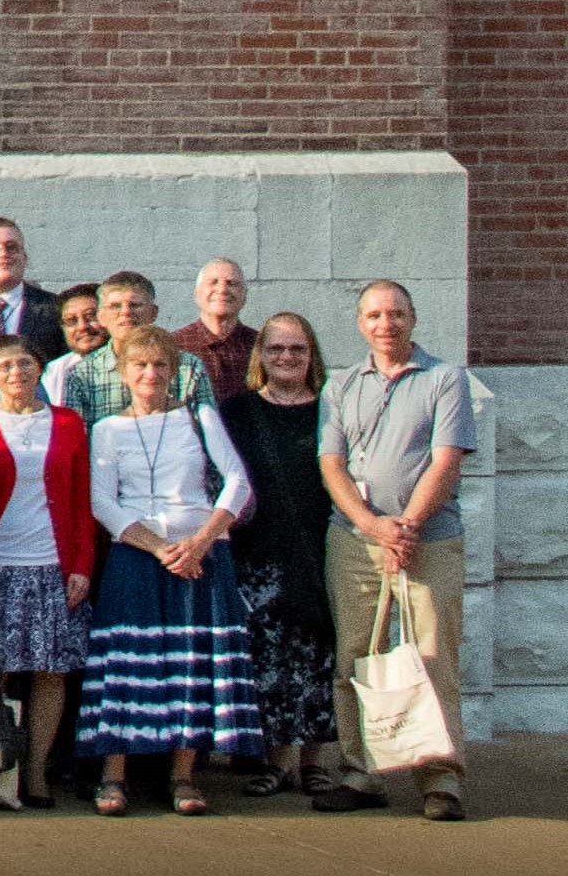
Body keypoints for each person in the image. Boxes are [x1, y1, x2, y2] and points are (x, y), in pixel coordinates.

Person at [75, 324, 261, 817]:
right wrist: (159, 548)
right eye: (140, 365)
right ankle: (113, 776)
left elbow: (237, 484)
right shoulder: (107, 430)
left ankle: (183, 776)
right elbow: (101, 501)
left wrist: (199, 543)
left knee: (188, 664)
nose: (150, 374)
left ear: (176, 372)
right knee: (125, 664)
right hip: (137, 555)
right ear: (123, 372)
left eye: (160, 365)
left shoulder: (198, 418)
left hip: (200, 556)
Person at [0, 337, 92, 807]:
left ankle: (35, 771)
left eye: (26, 362)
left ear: (40, 369)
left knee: (49, 672)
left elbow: (81, 501)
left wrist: (81, 566)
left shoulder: (69, 423)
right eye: (5, 365)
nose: (17, 371)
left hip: (52, 565)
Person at [219, 311, 345, 798]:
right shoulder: (238, 411)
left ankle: (315, 761)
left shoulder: (334, 409)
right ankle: (276, 761)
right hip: (259, 552)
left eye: (297, 349)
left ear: (312, 355)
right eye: (276, 349)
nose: (286, 358)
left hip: (323, 545)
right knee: (268, 659)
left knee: (320, 655)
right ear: (261, 356)